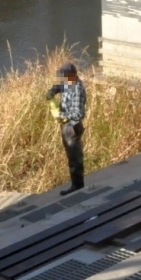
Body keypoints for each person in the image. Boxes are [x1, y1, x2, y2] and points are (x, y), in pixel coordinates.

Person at [50, 61, 86, 194]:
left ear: (72, 76)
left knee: (75, 158)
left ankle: (77, 187)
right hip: (66, 125)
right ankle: (75, 185)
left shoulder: (78, 90)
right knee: (70, 156)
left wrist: (61, 115)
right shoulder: (69, 82)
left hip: (73, 127)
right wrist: (52, 91)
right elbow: (60, 86)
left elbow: (78, 113)